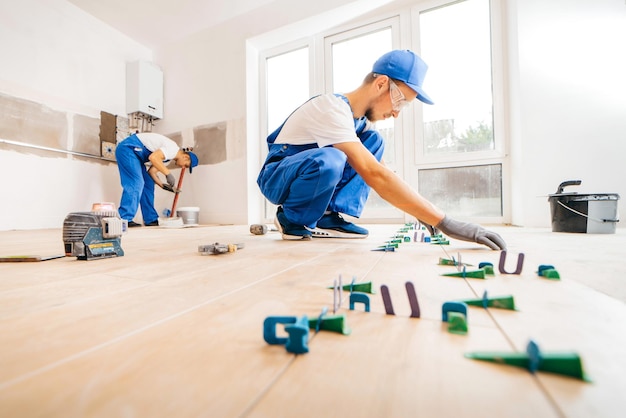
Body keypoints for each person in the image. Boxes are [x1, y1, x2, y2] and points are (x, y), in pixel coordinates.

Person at [256, 49, 506, 250]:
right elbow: (374, 175)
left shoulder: (360, 125)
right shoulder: (332, 109)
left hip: (306, 169)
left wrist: (420, 211)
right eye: (399, 101)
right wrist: (447, 223)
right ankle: (292, 218)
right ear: (381, 83)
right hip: (278, 174)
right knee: (330, 159)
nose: (397, 112)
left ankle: (326, 216)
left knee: (374, 141)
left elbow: (382, 170)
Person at [115, 132, 199, 227]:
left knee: (148, 183)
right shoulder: (172, 149)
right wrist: (168, 174)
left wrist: (163, 186)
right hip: (128, 149)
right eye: (185, 165)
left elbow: (152, 172)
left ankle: (150, 219)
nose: (183, 167)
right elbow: (153, 157)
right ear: (185, 157)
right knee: (136, 182)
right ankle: (124, 218)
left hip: (136, 155)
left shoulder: (167, 157)